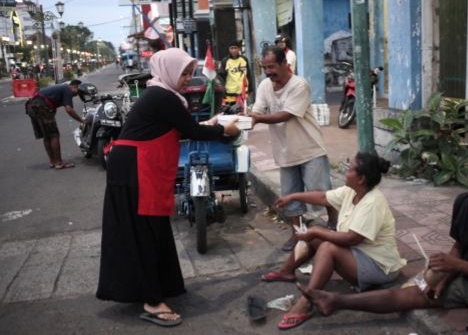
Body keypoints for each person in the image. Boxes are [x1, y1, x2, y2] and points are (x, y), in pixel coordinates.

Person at [297, 146, 468, 334]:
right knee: (415, 293)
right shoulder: (463, 203)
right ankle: (335, 301)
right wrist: (444, 277)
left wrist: (457, 267)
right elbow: (459, 246)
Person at [96, 48, 240, 327]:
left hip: (134, 166)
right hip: (136, 169)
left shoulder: (160, 94)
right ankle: (152, 301)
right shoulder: (162, 96)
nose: (188, 78)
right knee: (146, 233)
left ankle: (155, 288)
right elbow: (194, 132)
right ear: (168, 70)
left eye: (189, 72)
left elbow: (185, 128)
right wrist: (225, 130)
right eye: (184, 73)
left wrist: (210, 124)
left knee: (151, 231)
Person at [262, 152, 406, 330]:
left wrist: (315, 230)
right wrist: (293, 197)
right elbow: (323, 197)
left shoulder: (373, 202)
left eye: (350, 168)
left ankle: (306, 303)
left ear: (361, 178)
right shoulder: (351, 191)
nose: (345, 171)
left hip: (380, 267)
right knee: (318, 238)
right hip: (360, 255)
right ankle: (287, 271)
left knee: (326, 246)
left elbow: (352, 238)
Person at [251, 45, 338, 252]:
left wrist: (255, 118)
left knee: (321, 192)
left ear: (285, 64)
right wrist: (241, 122)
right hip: (285, 152)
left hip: (310, 149)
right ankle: (298, 235)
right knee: (291, 198)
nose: (268, 71)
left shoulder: (300, 85)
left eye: (272, 66)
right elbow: (257, 111)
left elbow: (286, 114)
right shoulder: (265, 85)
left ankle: (334, 223)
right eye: (265, 67)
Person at [25, 79, 85, 169]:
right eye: (77, 92)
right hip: (40, 106)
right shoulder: (67, 90)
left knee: (47, 136)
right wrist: (82, 120)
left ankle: (53, 161)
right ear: (74, 87)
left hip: (32, 106)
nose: (76, 95)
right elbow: (69, 109)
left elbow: (52, 103)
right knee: (54, 135)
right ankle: (59, 163)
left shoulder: (62, 88)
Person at [218, 40, 253, 105]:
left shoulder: (244, 59)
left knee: (244, 112)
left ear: (239, 49)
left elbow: (248, 75)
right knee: (232, 112)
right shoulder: (225, 61)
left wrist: (250, 89)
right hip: (230, 93)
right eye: (232, 48)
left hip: (243, 92)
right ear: (229, 49)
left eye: (235, 48)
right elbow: (220, 76)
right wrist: (223, 89)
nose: (233, 50)